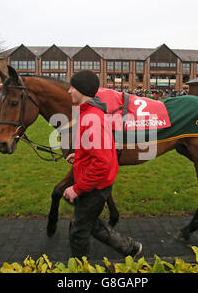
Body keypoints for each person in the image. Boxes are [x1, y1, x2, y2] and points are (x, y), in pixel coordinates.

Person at [63, 70, 142, 259]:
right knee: (89, 224)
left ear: (82, 90)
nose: (69, 91)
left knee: (78, 233)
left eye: (72, 87)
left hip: (94, 187)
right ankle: (131, 248)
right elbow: (103, 150)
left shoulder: (91, 118)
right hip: (98, 184)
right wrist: (80, 154)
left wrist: (77, 189)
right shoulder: (92, 113)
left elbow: (103, 162)